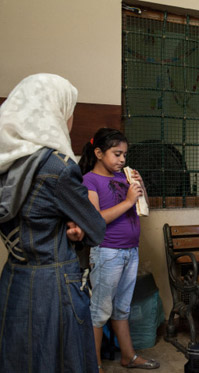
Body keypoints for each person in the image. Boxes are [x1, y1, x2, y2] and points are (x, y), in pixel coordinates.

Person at [0, 73, 106, 372]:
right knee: (61, 358)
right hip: (55, 284)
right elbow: (95, 228)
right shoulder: (56, 167)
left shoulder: (5, 160)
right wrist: (77, 228)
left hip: (15, 277)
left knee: (20, 357)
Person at [79, 128, 159, 371]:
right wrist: (127, 201)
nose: (123, 160)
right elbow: (95, 220)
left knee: (122, 308)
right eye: (117, 154)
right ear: (99, 153)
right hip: (107, 252)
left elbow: (143, 211)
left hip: (130, 251)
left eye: (125, 154)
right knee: (100, 311)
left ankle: (129, 356)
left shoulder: (123, 177)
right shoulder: (90, 180)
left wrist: (140, 188)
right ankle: (95, 365)